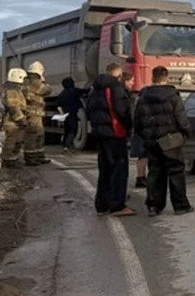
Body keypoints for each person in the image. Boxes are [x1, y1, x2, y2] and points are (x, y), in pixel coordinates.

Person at [134, 66, 193, 216]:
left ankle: (154, 205)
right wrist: (186, 133)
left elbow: (137, 121)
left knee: (155, 171)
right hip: (170, 139)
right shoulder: (173, 96)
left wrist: (145, 135)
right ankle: (180, 205)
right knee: (176, 171)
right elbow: (181, 118)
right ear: (166, 78)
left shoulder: (143, 97)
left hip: (151, 140)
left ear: (152, 78)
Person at [86, 63, 135, 216]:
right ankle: (117, 205)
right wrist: (129, 126)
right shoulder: (115, 88)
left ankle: (102, 203)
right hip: (115, 133)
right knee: (119, 169)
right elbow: (123, 111)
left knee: (104, 169)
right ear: (118, 75)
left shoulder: (95, 90)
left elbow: (88, 110)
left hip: (99, 133)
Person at [22, 61, 52, 166]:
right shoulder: (35, 82)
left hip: (34, 114)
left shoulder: (27, 81)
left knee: (39, 135)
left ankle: (38, 156)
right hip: (33, 115)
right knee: (33, 136)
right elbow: (48, 90)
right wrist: (43, 81)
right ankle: (30, 158)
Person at [122, 72, 148, 188]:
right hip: (140, 131)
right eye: (131, 81)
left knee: (141, 155)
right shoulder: (134, 100)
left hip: (136, 131)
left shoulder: (132, 98)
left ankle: (141, 177)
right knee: (143, 155)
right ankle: (141, 177)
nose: (133, 83)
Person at [1, 68, 28, 168]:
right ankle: (8, 162)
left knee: (17, 141)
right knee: (11, 142)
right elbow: (13, 106)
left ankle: (13, 160)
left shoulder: (15, 90)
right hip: (12, 123)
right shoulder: (12, 91)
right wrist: (21, 119)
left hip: (15, 122)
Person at [56, 77, 82, 154]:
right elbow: (84, 91)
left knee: (66, 130)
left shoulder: (62, 94)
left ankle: (65, 146)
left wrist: (61, 114)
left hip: (65, 114)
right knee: (73, 130)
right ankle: (68, 147)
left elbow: (58, 105)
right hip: (73, 114)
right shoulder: (74, 91)